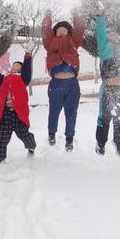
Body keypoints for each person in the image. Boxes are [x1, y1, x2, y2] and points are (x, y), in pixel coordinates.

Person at [95, 8, 120, 158]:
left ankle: (119, 144)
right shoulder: (105, 49)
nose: (112, 35)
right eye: (109, 33)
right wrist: (100, 17)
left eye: (115, 33)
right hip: (108, 89)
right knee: (104, 118)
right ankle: (100, 143)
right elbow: (100, 34)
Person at [41, 13, 85, 151]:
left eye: (65, 29)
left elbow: (80, 29)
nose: (62, 30)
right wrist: (47, 15)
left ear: (69, 32)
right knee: (54, 111)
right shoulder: (50, 43)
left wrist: (77, 12)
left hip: (72, 84)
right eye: (59, 29)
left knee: (71, 113)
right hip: (56, 84)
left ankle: (69, 138)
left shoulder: (73, 42)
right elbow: (46, 30)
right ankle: (51, 133)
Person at [0, 51, 36, 163]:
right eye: (14, 65)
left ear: (21, 69)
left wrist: (28, 56)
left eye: (18, 66)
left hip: (18, 113)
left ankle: (31, 146)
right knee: (1, 136)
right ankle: (0, 156)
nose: (15, 67)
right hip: (5, 113)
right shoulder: (5, 78)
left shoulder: (23, 78)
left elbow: (27, 70)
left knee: (24, 134)